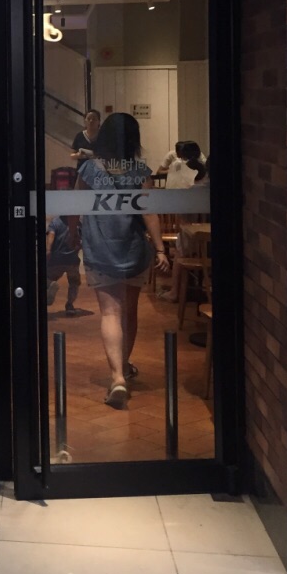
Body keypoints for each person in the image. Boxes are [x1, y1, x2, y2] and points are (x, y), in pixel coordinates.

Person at [77, 112, 170, 409]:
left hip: (99, 249)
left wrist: (73, 236)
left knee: (110, 313)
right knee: (129, 313)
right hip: (132, 250)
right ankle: (124, 367)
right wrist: (160, 249)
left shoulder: (89, 169)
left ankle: (117, 377)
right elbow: (149, 212)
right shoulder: (139, 171)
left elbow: (77, 206)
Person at [46, 216, 80, 315]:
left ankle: (50, 284)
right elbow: (80, 240)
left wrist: (48, 251)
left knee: (47, 278)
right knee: (74, 283)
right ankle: (70, 305)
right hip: (73, 260)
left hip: (56, 259)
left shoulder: (55, 222)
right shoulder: (77, 223)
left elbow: (51, 237)